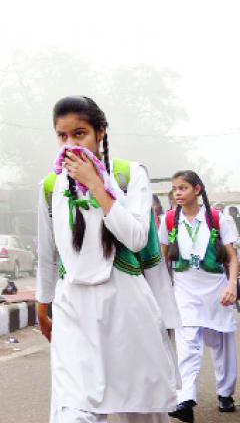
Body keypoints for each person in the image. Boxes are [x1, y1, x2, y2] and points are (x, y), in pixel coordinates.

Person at [36, 96, 179, 422]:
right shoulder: (49, 186)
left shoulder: (130, 175)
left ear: (101, 132)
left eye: (80, 133)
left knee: (142, 410)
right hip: (73, 309)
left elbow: (137, 237)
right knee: (73, 412)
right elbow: (47, 253)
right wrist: (43, 304)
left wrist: (98, 185)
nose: (70, 144)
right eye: (62, 136)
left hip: (126, 310)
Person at [159, 171, 238, 421]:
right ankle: (185, 399)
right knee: (188, 342)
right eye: (175, 189)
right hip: (184, 290)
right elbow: (162, 259)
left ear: (197, 190)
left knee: (221, 345)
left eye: (183, 188)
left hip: (216, 289)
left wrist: (232, 286)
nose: (177, 193)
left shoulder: (217, 219)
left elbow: (232, 256)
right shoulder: (169, 219)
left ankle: (225, 393)